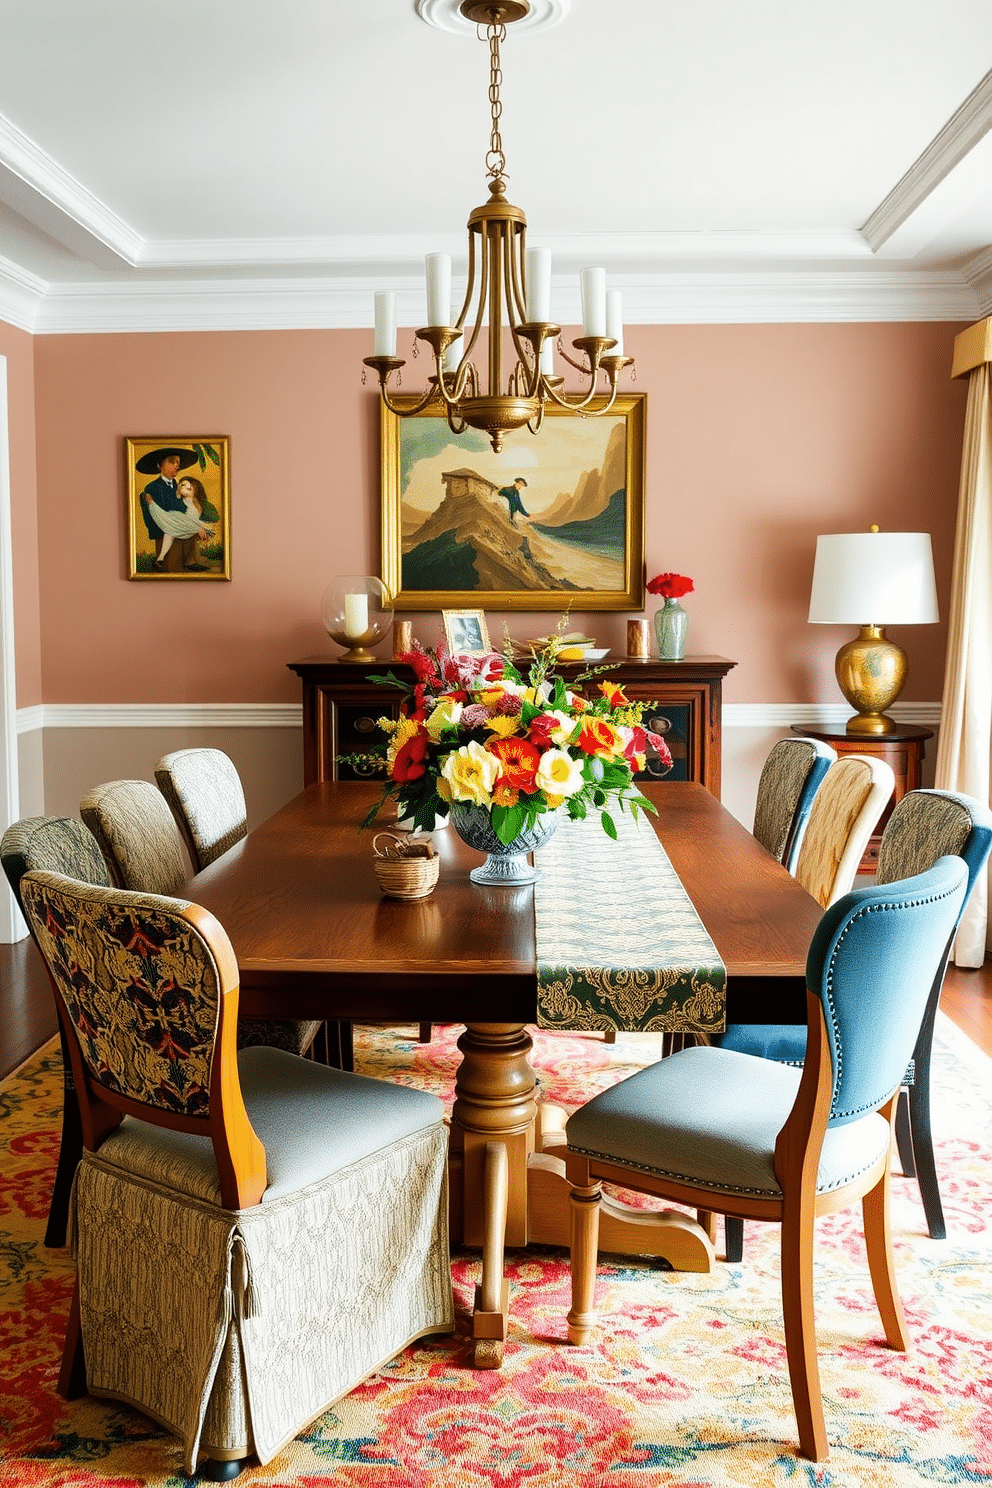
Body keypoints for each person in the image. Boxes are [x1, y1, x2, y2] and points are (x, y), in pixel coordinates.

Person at [136, 446, 201, 572]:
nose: (176, 466)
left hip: (182, 528)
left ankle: (191, 562)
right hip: (165, 532)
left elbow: (184, 507)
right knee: (173, 567)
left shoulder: (179, 486)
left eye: (178, 463)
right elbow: (157, 514)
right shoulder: (153, 488)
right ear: (160, 466)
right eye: (172, 462)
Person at [146, 476, 215, 569]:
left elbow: (194, 519)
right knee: (168, 530)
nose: (188, 487)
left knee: (169, 531)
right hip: (181, 522)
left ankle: (161, 558)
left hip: (188, 524)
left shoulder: (197, 504)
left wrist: (199, 528)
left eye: (189, 485)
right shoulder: (183, 501)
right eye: (183, 485)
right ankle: (161, 558)